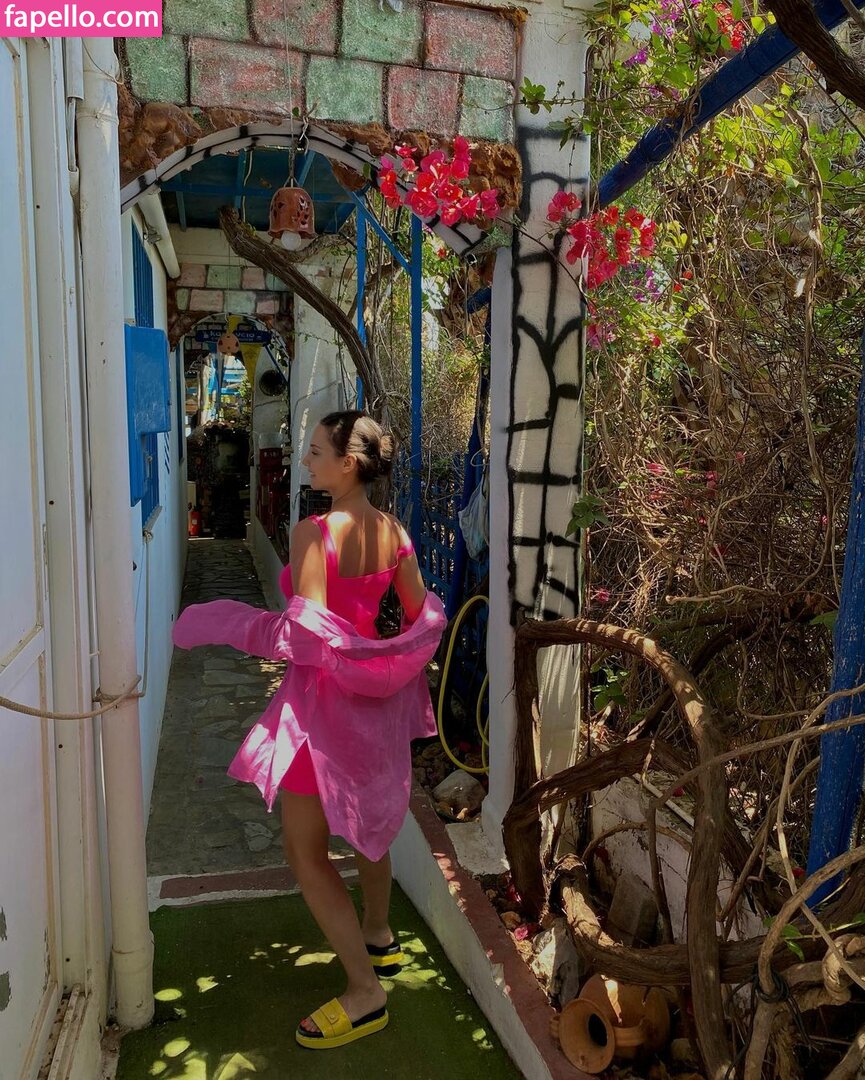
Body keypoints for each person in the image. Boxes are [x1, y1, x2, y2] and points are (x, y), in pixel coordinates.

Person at [172, 409, 445, 1051]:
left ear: (348, 464)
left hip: (320, 710)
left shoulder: (313, 533)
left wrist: (232, 624)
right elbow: (419, 617)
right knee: (369, 827)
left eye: (317, 452)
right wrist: (381, 665)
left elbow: (309, 634)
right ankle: (378, 935)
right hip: (374, 712)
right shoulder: (395, 532)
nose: (306, 461)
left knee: (305, 852)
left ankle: (364, 991)